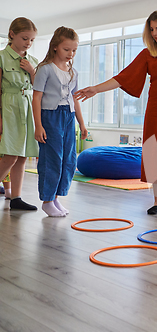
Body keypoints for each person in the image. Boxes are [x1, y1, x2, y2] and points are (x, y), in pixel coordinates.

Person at [75, 10, 157, 216]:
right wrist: (96, 89)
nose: (154, 33)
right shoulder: (148, 54)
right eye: (152, 29)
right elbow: (123, 77)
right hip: (156, 111)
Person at [32, 26, 88, 217]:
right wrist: (38, 125)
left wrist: (81, 123)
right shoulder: (45, 69)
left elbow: (75, 99)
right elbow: (37, 98)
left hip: (68, 117)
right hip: (50, 116)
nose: (70, 54)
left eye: (74, 50)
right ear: (55, 47)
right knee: (52, 159)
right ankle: (47, 200)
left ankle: (56, 197)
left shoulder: (73, 72)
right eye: (67, 49)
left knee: (69, 160)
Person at [0, 17, 38, 210]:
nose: (28, 43)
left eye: (31, 40)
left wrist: (32, 71)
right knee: (10, 156)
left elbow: (40, 88)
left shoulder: (33, 61)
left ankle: (16, 198)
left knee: (22, 156)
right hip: (9, 108)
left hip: (28, 108)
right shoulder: (1, 57)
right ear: (12, 34)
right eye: (25, 38)